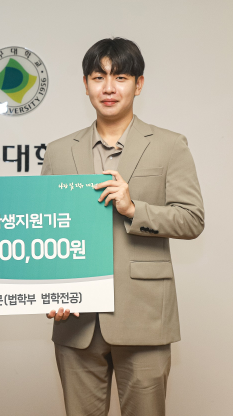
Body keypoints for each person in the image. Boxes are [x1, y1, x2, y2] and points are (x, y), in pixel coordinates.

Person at [41, 37, 205, 416]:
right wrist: (51, 291)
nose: (109, 88)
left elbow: (192, 218)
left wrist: (134, 209)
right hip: (76, 321)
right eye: (99, 77)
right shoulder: (59, 151)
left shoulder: (169, 145)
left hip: (144, 316)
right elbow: (48, 231)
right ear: (86, 85)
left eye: (120, 77)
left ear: (138, 84)